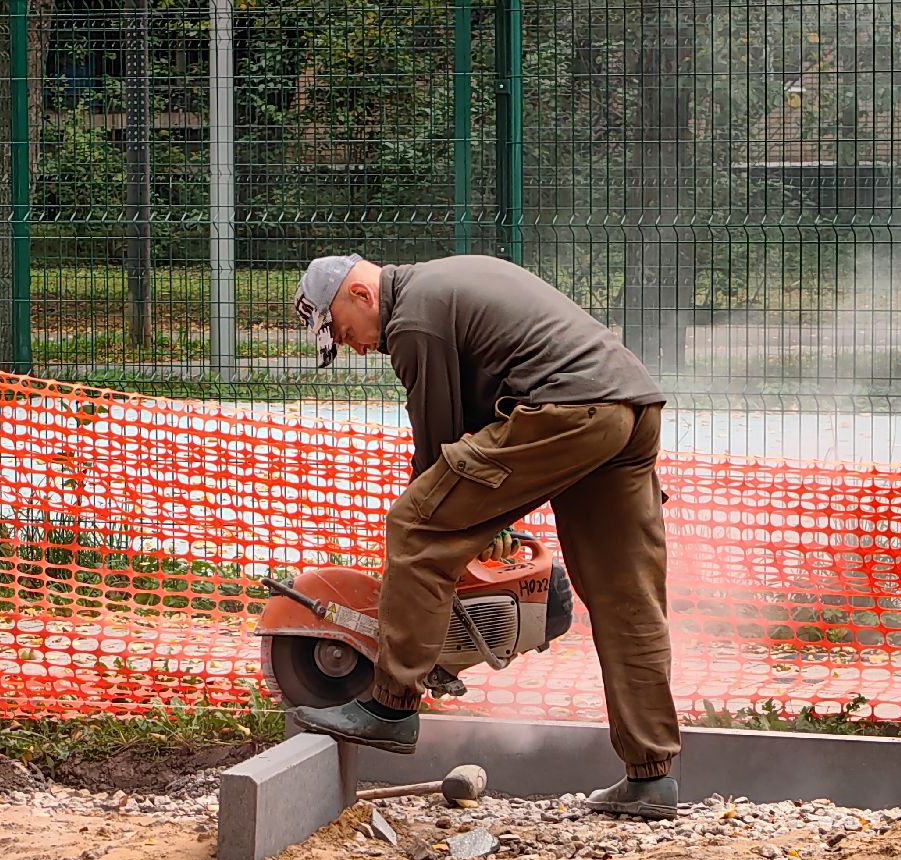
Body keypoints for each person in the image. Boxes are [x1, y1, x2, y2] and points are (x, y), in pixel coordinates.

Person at [286, 252, 683, 820]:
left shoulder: (413, 319)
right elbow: (482, 430)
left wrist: (470, 521)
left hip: (567, 409)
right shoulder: (442, 285)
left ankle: (390, 707)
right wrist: (485, 515)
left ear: (361, 295)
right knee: (627, 599)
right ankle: (652, 775)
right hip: (628, 407)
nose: (356, 347)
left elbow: (439, 449)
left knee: (416, 524)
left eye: (345, 332)